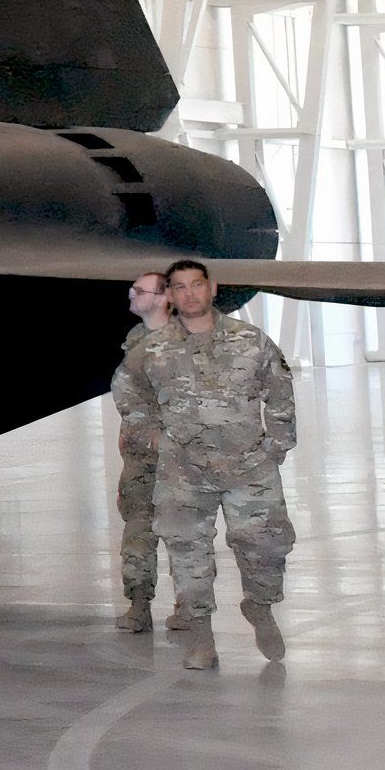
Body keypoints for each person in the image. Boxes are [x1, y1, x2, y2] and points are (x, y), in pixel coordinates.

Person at [113, 261, 295, 671]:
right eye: (179, 287)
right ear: (172, 296)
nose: (190, 294)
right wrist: (153, 437)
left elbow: (280, 389)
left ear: (212, 289)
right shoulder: (152, 348)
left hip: (248, 468)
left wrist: (278, 445)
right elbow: (128, 395)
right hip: (183, 471)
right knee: (188, 555)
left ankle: (260, 605)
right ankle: (202, 639)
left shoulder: (250, 340)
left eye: (197, 285)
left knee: (266, 548)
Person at [108, 270, 172, 633]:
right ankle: (139, 605)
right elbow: (127, 398)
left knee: (186, 538)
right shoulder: (135, 339)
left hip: (180, 460)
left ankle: (188, 609)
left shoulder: (185, 343)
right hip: (140, 461)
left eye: (139, 290)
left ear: (162, 299)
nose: (131, 294)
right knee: (138, 533)